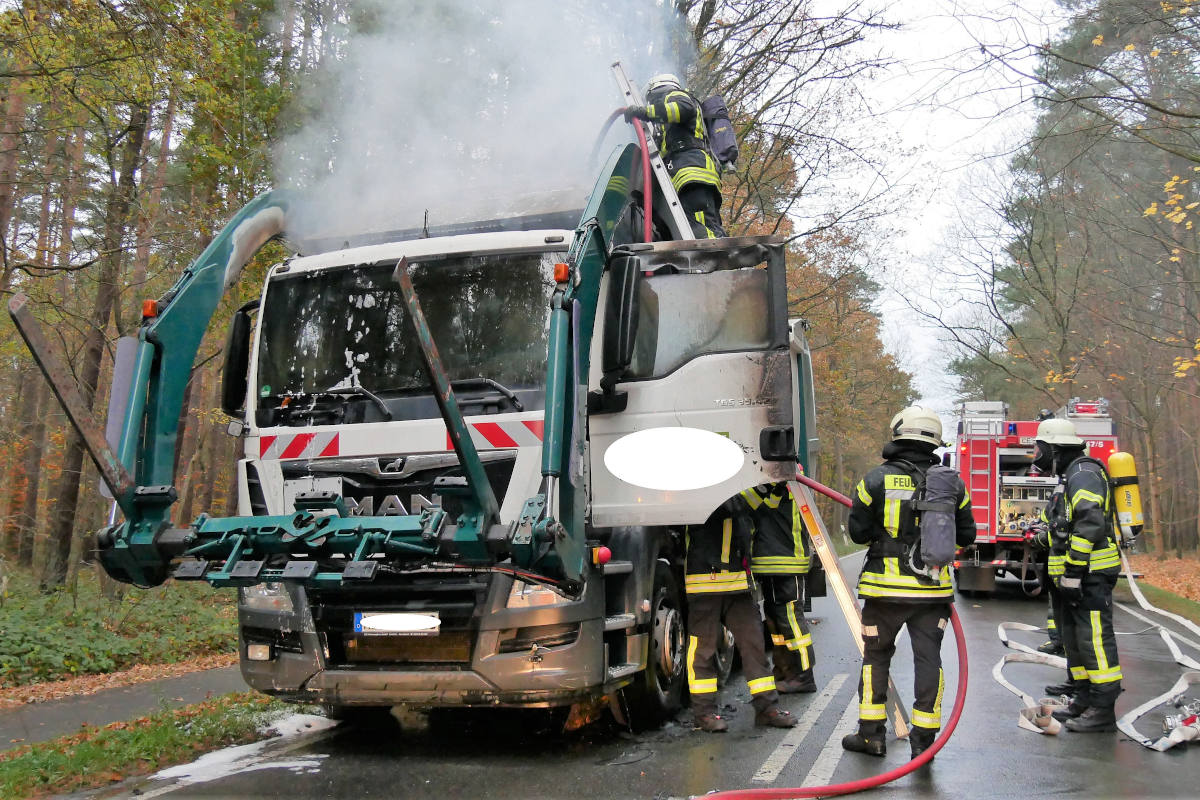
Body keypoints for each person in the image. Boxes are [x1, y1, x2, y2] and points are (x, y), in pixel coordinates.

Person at [842, 406, 976, 760]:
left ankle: (871, 735)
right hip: (932, 592)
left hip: (883, 591)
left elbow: (857, 533)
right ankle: (924, 739)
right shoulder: (953, 484)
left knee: (876, 657)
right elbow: (968, 535)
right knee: (929, 659)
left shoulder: (874, 480)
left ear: (898, 434)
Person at [1029, 418, 1123, 732]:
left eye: (1039, 448)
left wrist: (1073, 572)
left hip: (1089, 576)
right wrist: (1039, 537)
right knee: (1074, 641)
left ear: (1055, 448)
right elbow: (1061, 526)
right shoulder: (1068, 477)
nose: (1036, 454)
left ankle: (1103, 708)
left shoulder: (1084, 474)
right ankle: (1083, 699)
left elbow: (1090, 524)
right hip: (1072, 579)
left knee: (1094, 640)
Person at [684, 495, 797, 732]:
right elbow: (732, 504)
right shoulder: (709, 479)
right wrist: (762, 484)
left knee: (754, 644)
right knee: (703, 648)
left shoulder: (740, 484)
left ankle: (767, 708)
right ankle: (703, 713)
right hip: (706, 579)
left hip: (738, 581)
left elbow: (764, 508)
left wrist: (773, 484)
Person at [623, 74, 727, 239]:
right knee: (692, 227)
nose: (653, 104)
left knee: (702, 229)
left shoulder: (675, 95)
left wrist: (645, 112)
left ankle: (718, 260)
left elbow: (683, 108)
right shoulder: (668, 129)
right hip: (687, 177)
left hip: (694, 174)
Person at [743, 483, 818, 693]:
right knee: (776, 622)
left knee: (791, 620)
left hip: (785, 560)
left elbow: (748, 503)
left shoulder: (779, 481)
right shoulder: (779, 480)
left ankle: (804, 675)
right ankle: (785, 670)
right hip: (773, 560)